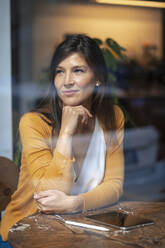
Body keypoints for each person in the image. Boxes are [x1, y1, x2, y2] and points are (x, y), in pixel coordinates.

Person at [0, 34, 124, 241]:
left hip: (82, 230)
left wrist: (76, 203)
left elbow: (114, 186)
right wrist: (66, 133)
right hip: (26, 233)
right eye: (60, 72)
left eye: (78, 70)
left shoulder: (112, 117)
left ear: (98, 78)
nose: (67, 81)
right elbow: (48, 196)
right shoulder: (34, 122)